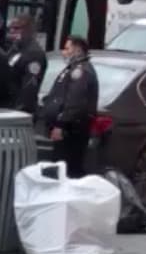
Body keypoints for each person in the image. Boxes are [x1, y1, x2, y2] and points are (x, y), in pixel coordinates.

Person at [38, 35, 98, 178]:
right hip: (67, 128)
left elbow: (74, 101)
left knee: (66, 168)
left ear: (77, 50)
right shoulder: (72, 68)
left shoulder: (81, 71)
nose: (64, 52)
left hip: (71, 130)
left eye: (67, 49)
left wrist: (61, 125)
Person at [6, 14, 47, 115]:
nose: (12, 31)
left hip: (18, 112)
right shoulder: (15, 49)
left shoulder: (34, 53)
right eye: (10, 28)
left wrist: (19, 111)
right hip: (7, 106)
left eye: (17, 28)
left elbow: (29, 87)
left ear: (29, 30)